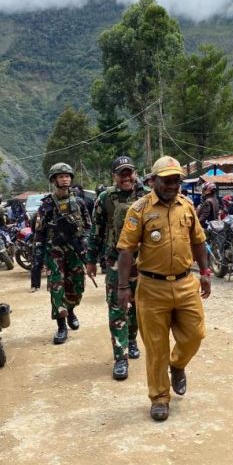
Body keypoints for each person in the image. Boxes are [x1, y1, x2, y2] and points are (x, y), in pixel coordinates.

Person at [116, 156, 212, 422]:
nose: (172, 185)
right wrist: (123, 287)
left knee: (195, 334)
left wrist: (205, 273)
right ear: (152, 181)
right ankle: (159, 397)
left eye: (176, 180)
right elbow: (126, 250)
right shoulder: (139, 210)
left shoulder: (187, 206)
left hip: (185, 283)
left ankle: (178, 364)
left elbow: (199, 241)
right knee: (156, 347)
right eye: (167, 180)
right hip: (151, 288)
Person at [86, 156, 146, 380]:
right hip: (114, 261)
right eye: (121, 173)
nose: (126, 177)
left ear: (135, 173)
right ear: (114, 176)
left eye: (129, 172)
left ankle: (131, 340)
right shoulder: (105, 198)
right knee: (117, 308)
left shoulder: (148, 195)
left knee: (138, 307)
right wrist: (91, 259)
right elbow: (97, 231)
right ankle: (120, 357)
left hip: (143, 262)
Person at [33, 162, 92, 344]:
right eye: (61, 176)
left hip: (74, 250)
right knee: (56, 286)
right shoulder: (47, 206)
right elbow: (39, 233)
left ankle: (71, 311)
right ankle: (61, 326)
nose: (65, 179)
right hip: (55, 251)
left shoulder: (79, 202)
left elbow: (89, 227)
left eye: (67, 176)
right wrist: (38, 258)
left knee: (76, 285)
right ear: (54, 180)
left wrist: (85, 246)